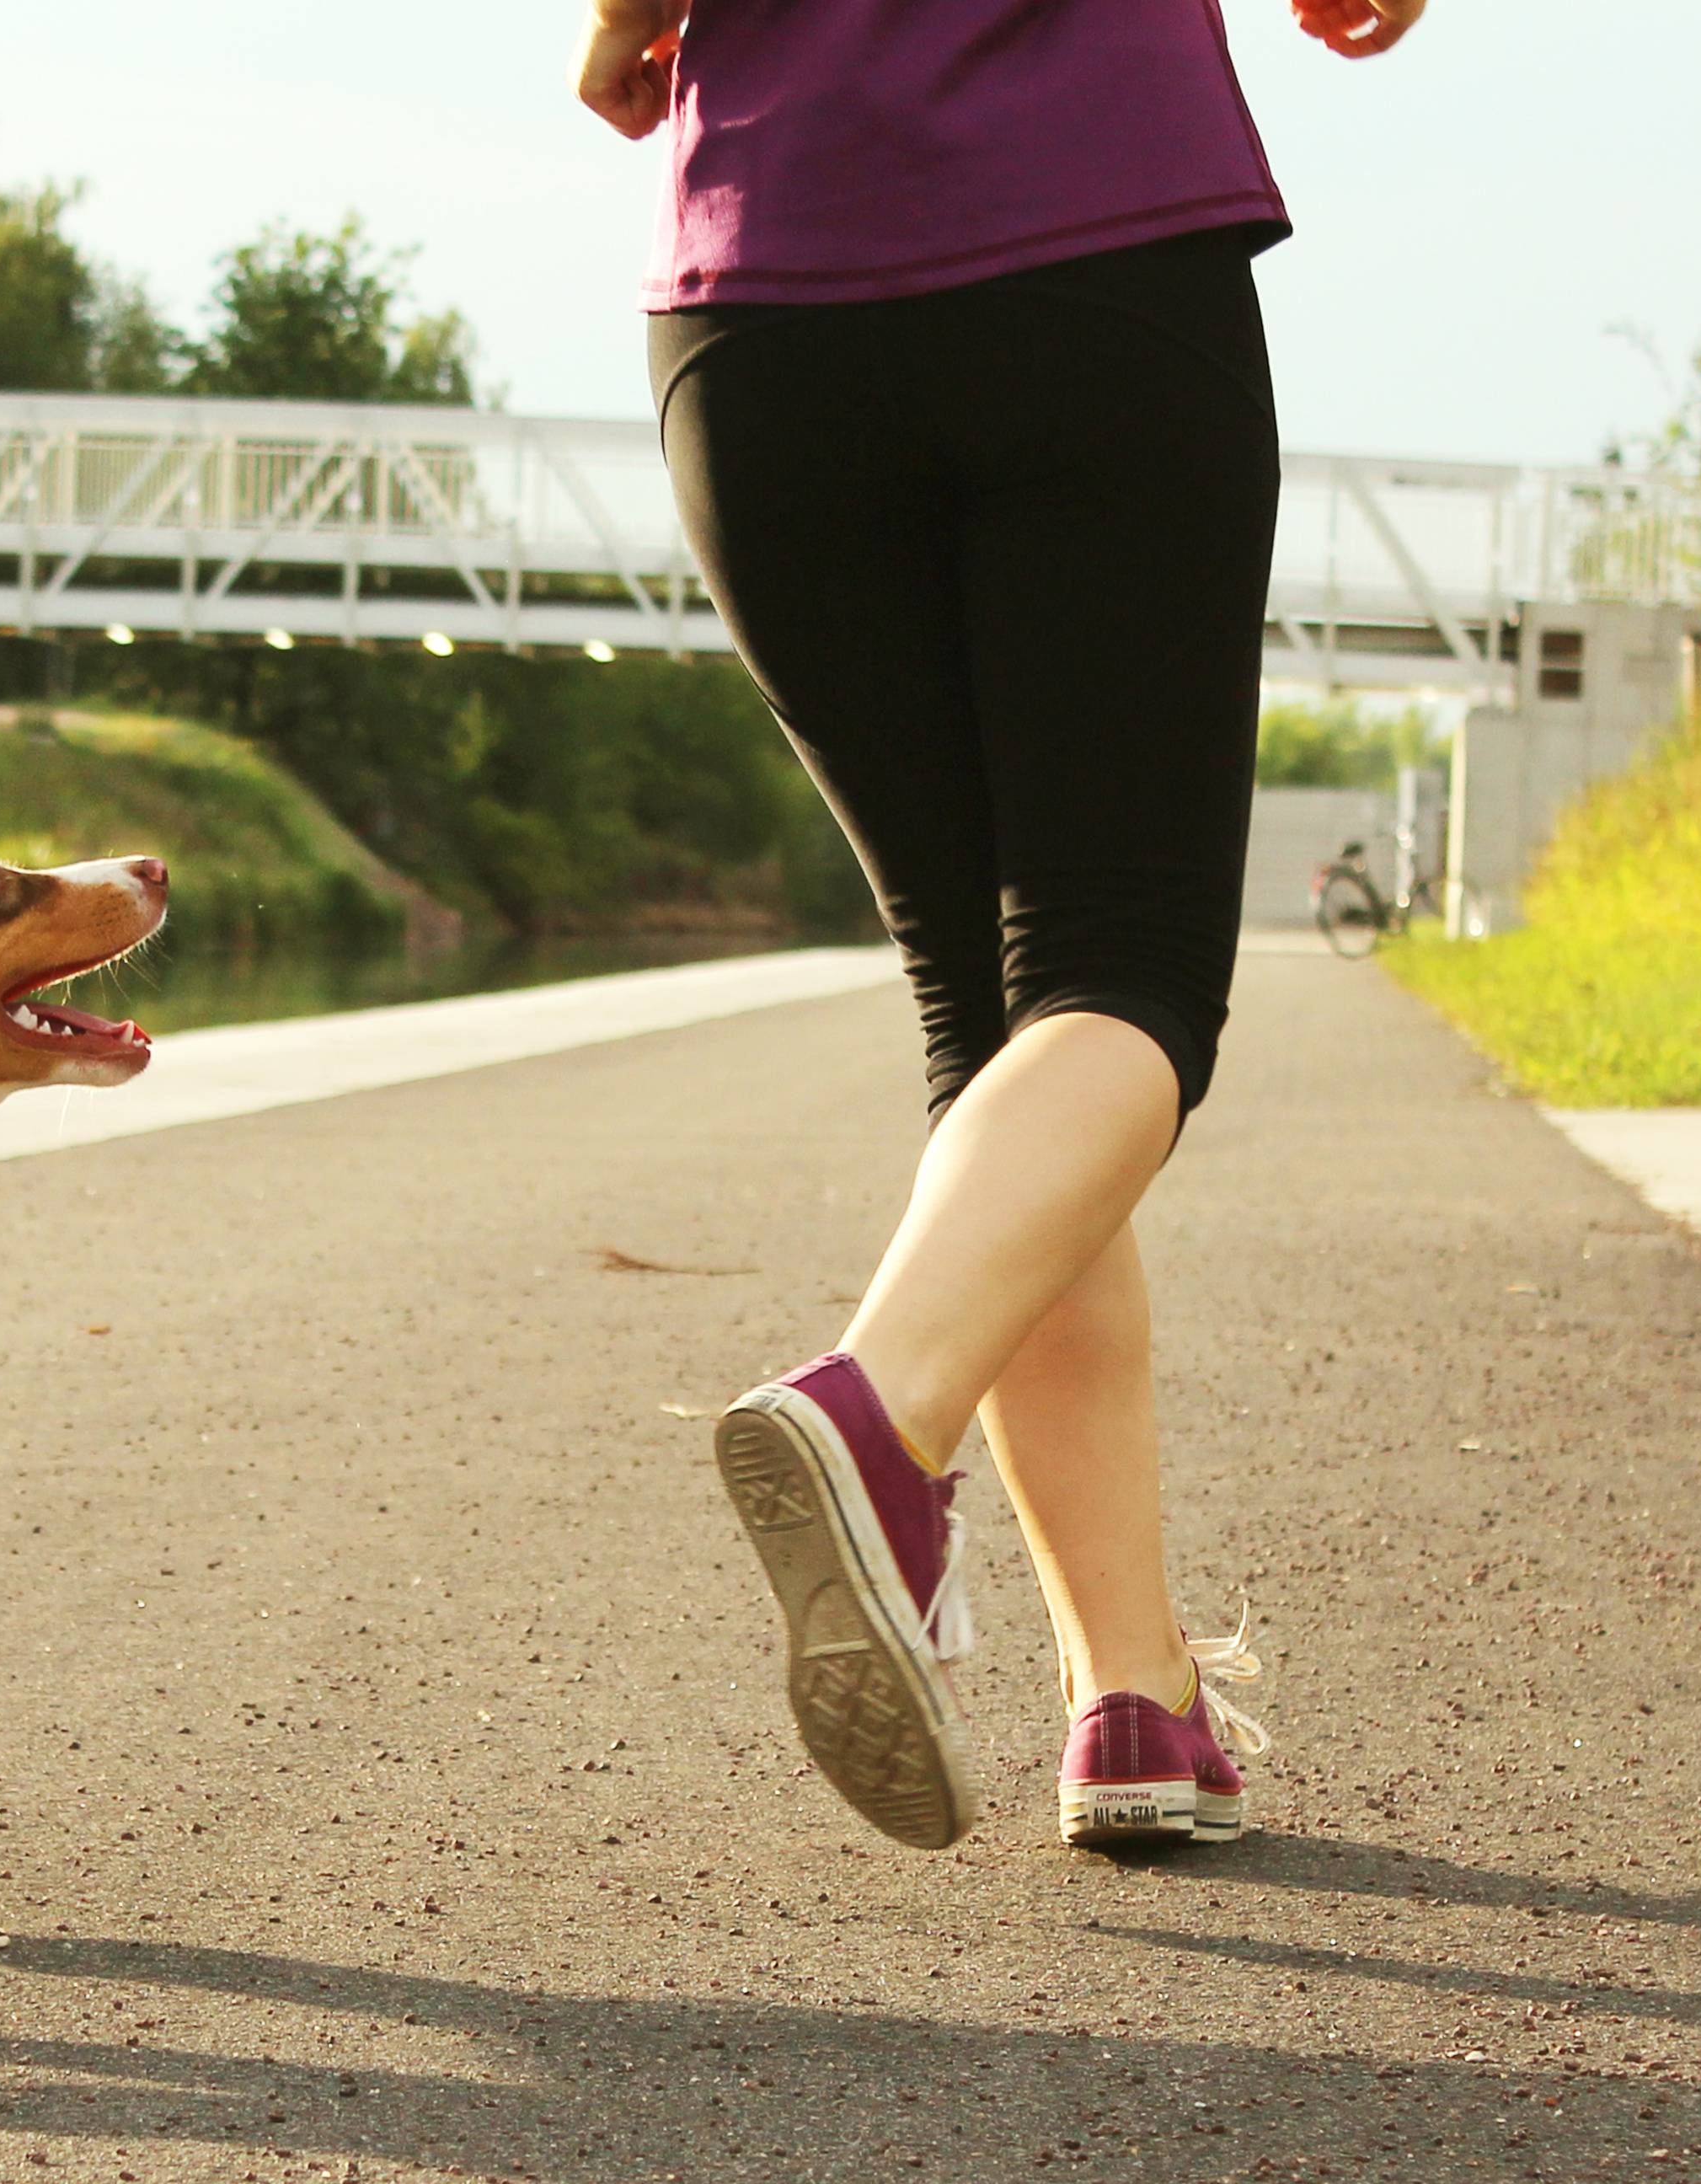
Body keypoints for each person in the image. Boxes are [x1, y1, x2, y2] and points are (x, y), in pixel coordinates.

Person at [574, 0, 1426, 1850]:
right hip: (1091, 236)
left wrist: (624, 24)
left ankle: (1135, 1696)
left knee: (998, 1030)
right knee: (1121, 977)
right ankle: (882, 1420)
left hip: (762, 301)